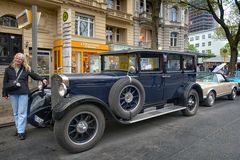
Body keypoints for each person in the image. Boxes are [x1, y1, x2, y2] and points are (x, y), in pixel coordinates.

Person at [2, 53, 47, 140]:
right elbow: (5, 82)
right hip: (12, 93)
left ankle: (21, 131)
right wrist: (4, 93)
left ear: (23, 61)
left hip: (23, 92)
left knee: (22, 113)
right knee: (15, 113)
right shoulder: (8, 69)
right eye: (17, 58)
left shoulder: (26, 69)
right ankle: (19, 128)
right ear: (15, 58)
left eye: (21, 59)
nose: (18, 60)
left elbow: (34, 76)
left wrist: (42, 79)